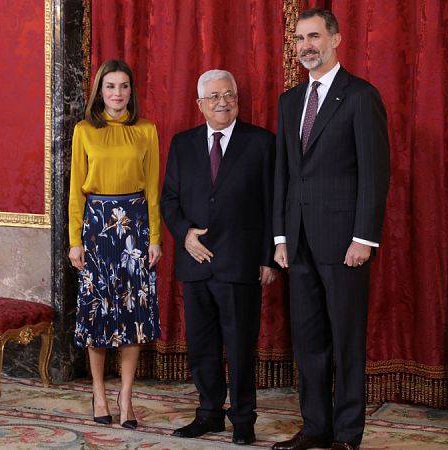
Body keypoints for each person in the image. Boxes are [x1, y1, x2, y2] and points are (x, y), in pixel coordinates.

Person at [272, 8, 390, 450]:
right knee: (308, 343)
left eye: (314, 36)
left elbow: (374, 173)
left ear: (336, 39)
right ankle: (315, 428)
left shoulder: (360, 96)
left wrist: (364, 237)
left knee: (346, 342)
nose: (306, 46)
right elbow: (283, 174)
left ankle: (346, 435)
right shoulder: (289, 102)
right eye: (300, 38)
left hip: (345, 245)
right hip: (298, 243)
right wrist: (280, 237)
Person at [161, 69, 277, 446]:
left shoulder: (262, 143)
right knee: (201, 346)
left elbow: (273, 203)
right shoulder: (182, 144)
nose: (222, 102)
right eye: (214, 96)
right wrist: (185, 235)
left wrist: (269, 258)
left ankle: (243, 418)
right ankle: (209, 413)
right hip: (195, 262)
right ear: (200, 104)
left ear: (237, 99)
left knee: (240, 347)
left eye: (228, 95)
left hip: (241, 264)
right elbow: (169, 200)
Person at [68, 59, 162, 431]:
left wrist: (155, 238)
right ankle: (98, 392)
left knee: (132, 312)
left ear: (131, 91)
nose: (117, 93)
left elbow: (153, 188)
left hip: (135, 228)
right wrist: (74, 240)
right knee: (98, 312)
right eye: (110, 86)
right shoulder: (84, 131)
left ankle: (126, 396)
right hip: (96, 227)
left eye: (124, 86)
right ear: (100, 91)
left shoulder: (147, 130)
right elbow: (75, 191)